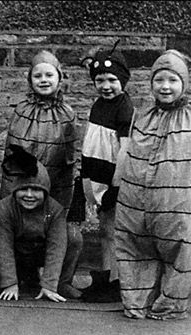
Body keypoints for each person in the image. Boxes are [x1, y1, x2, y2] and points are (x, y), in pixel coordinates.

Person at [114, 50, 191, 320]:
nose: (165, 87)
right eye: (159, 80)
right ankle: (137, 301)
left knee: (177, 244)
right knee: (136, 242)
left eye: (172, 80)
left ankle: (169, 304)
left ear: (184, 83)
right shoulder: (144, 118)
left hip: (175, 202)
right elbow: (133, 158)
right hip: (139, 198)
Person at [0, 151, 83, 302]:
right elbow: (2, 246)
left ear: (45, 191)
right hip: (16, 252)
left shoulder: (54, 209)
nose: (29, 195)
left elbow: (57, 247)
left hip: (41, 252)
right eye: (23, 189)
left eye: (36, 190)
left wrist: (49, 284)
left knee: (74, 236)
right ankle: (0, 281)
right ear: (15, 190)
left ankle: (62, 283)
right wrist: (10, 283)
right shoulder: (5, 207)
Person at [79, 41, 133, 303]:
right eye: (100, 80)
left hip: (112, 181)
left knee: (113, 232)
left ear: (122, 80)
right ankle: (105, 274)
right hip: (96, 177)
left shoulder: (124, 107)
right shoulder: (98, 105)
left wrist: (116, 185)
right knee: (103, 231)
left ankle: (116, 281)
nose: (106, 86)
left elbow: (124, 149)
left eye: (112, 79)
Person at [0, 50, 77, 213]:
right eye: (37, 76)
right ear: (30, 80)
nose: (43, 80)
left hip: (56, 178)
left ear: (59, 78)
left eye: (49, 75)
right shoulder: (22, 110)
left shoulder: (67, 113)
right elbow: (13, 152)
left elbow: (68, 157)